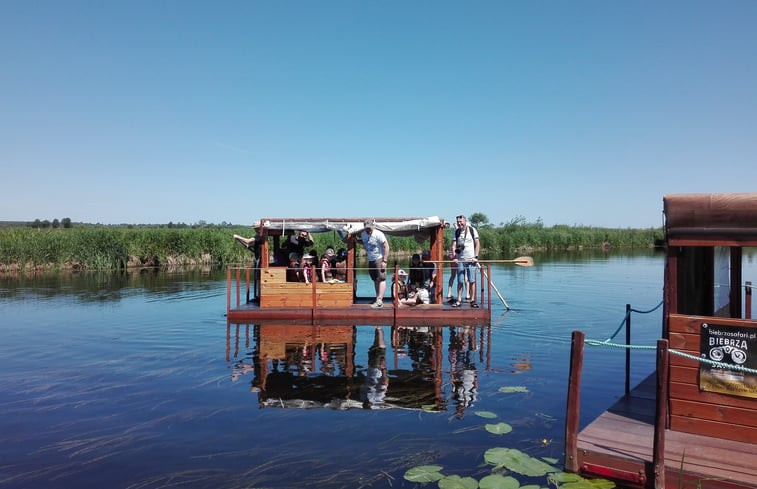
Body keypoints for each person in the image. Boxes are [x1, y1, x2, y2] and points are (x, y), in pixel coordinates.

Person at [450, 214, 480, 308]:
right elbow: (453, 245)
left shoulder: (472, 230)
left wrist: (476, 257)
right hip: (460, 260)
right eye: (458, 222)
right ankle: (459, 300)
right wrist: (455, 257)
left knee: (471, 280)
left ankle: (472, 300)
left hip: (471, 259)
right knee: (460, 280)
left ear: (465, 221)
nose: (459, 224)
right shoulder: (456, 232)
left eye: (461, 222)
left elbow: (477, 244)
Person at [360, 219, 390, 308]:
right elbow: (364, 242)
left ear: (373, 226)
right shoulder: (363, 234)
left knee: (381, 278)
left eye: (369, 228)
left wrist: (384, 260)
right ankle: (377, 298)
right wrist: (356, 241)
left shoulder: (378, 234)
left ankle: (380, 300)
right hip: (370, 259)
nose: (368, 230)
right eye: (366, 228)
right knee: (375, 279)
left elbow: (386, 246)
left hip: (379, 258)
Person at [360, 327, 388, 409]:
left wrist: (361, 372)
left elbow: (362, 386)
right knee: (380, 349)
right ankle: (379, 328)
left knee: (374, 348)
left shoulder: (363, 398)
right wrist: (384, 370)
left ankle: (377, 329)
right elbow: (384, 383)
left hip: (370, 369)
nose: (365, 403)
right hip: (378, 369)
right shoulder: (377, 398)